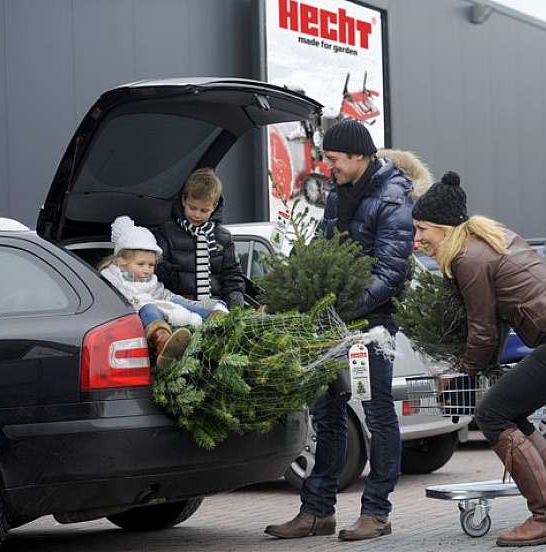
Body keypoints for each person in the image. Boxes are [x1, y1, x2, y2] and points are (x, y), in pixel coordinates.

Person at [411, 171, 546, 547]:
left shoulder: (468, 257)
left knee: (492, 414)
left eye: (423, 229)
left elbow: (483, 328)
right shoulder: (489, 239)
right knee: (511, 414)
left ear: (444, 227)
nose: (418, 238)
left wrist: (462, 372)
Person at [265, 120, 416, 541]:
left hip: (372, 325)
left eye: (333, 159)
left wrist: (344, 305)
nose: (328, 167)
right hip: (332, 322)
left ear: (359, 156)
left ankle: (377, 513)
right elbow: (321, 246)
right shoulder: (338, 194)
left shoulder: (393, 197)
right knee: (326, 413)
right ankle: (316, 512)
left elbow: (391, 269)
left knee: (377, 413)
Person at [99, 216, 226, 370]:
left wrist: (180, 301)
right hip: (136, 317)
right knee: (149, 308)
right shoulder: (113, 279)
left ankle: (218, 319)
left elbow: (164, 295)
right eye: (141, 264)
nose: (146, 270)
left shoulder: (150, 281)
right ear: (122, 262)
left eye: (151, 265)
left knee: (178, 302)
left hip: (158, 307)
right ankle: (163, 341)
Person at [154, 168, 247, 310]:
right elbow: (155, 274)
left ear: (214, 207)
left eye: (204, 210)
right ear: (184, 200)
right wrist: (166, 271)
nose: (197, 215)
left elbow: (232, 278)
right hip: (178, 308)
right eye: (193, 208)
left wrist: (235, 309)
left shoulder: (223, 238)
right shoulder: (165, 233)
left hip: (215, 310)